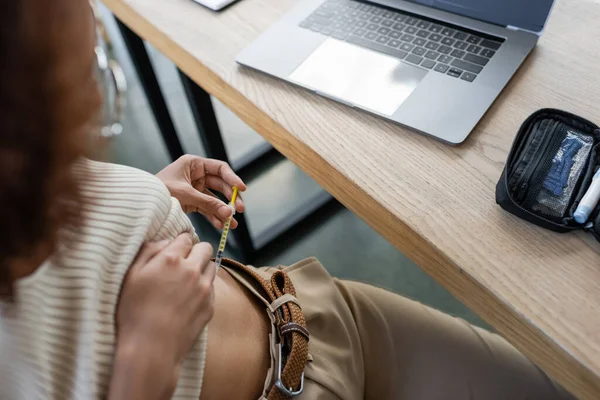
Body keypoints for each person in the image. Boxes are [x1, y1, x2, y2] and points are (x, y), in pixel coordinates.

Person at [0, 0, 575, 399]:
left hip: (314, 315)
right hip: (284, 379)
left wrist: (140, 194)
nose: (94, 17)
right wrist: (142, 367)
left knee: (555, 387)